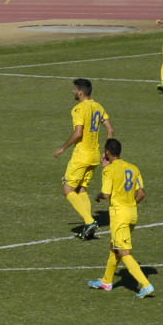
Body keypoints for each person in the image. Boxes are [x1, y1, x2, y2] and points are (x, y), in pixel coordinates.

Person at [88, 139, 154, 297]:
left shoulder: (109, 170)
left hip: (120, 215)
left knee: (124, 251)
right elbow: (142, 193)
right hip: (132, 213)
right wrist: (130, 203)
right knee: (115, 248)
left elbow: (106, 194)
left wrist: (97, 196)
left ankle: (146, 285)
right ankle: (106, 281)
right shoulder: (133, 167)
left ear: (108, 152)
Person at [53, 77, 114, 240]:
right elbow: (110, 129)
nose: (73, 92)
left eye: (74, 89)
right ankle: (90, 225)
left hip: (82, 155)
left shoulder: (79, 109)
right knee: (81, 189)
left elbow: (78, 133)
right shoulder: (98, 106)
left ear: (80, 92)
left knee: (68, 189)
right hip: (95, 156)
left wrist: (63, 148)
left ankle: (89, 220)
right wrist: (106, 153)